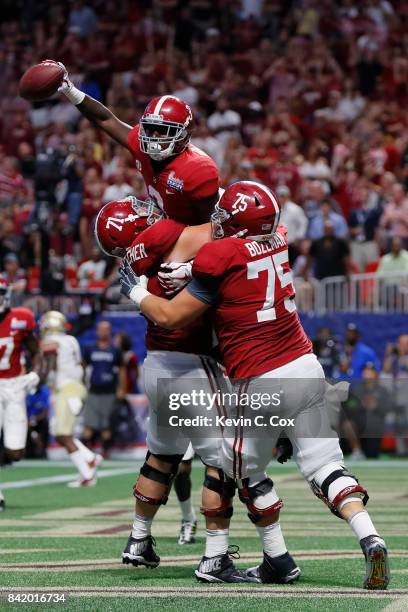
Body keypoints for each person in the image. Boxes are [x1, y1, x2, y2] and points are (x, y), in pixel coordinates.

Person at [121, 181, 389, 590]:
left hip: (261, 378)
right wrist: (194, 269)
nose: (219, 223)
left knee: (238, 468)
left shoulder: (217, 254)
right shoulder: (279, 239)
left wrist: (138, 291)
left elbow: (172, 316)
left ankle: (272, 558)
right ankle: (369, 535)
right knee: (325, 467)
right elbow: (239, 260)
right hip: (307, 367)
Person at [96, 197, 294, 582]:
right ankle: (215, 557)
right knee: (225, 462)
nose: (151, 214)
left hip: (155, 365)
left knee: (161, 455)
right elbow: (229, 237)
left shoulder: (142, 263)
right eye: (141, 216)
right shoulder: (172, 237)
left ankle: (138, 539)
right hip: (192, 366)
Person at [46, 60, 219, 225]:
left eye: (163, 131)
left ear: (183, 134)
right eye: (150, 129)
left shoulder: (199, 169)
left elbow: (210, 227)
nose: (154, 137)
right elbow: (106, 119)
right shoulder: (142, 146)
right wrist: (71, 90)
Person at [40, 310, 102, 487]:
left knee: (62, 434)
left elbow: (50, 366)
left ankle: (87, 474)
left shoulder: (51, 342)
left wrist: (41, 381)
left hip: (67, 389)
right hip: (77, 388)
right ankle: (90, 458)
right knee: (61, 433)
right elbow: (81, 365)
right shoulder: (72, 340)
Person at [0, 276, 41, 512]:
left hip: (14, 385)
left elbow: (36, 351)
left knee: (15, 451)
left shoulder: (21, 318)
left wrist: (36, 373)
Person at [82, 320, 126, 456]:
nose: (103, 331)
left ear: (109, 331)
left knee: (106, 424)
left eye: (105, 329)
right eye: (100, 329)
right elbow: (83, 367)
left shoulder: (115, 351)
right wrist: (82, 384)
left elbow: (122, 370)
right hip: (93, 390)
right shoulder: (90, 349)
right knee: (89, 423)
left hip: (110, 391)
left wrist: (122, 389)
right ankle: (86, 454)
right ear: (97, 331)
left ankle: (104, 452)